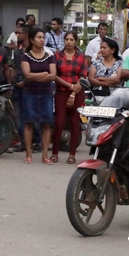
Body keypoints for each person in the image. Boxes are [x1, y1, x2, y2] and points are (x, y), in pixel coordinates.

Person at [20, 27, 57, 164]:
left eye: (43, 37)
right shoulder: (26, 56)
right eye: (39, 37)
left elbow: (53, 75)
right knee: (29, 122)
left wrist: (36, 77)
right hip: (30, 93)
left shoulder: (50, 56)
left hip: (46, 93)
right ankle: (28, 154)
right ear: (32, 40)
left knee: (46, 123)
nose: (42, 40)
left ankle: (45, 155)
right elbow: (27, 75)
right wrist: (44, 74)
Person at [52, 31, 86, 164]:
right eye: (67, 39)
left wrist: (73, 92)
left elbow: (83, 75)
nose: (69, 42)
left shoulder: (81, 56)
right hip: (61, 91)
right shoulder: (57, 55)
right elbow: (55, 75)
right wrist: (69, 86)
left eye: (72, 39)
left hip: (78, 92)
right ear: (64, 40)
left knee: (75, 121)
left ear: (75, 41)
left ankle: (72, 154)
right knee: (59, 122)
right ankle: (55, 153)